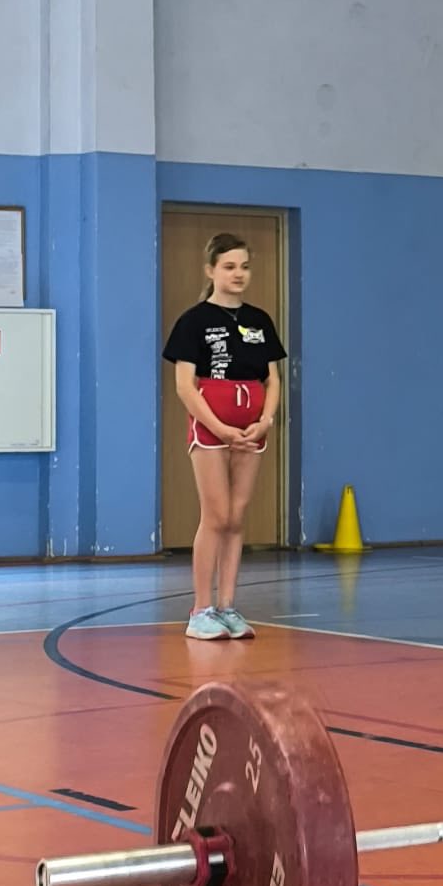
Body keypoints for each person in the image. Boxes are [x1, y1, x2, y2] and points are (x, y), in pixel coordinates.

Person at [162, 232, 286, 642]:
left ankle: (228, 606)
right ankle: (200, 610)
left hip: (251, 429)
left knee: (235, 517)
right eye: (229, 266)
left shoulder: (259, 320)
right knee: (215, 515)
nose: (238, 274)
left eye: (244, 266)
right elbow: (184, 385)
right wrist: (219, 428)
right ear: (211, 270)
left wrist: (265, 420)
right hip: (212, 428)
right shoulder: (193, 321)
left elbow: (272, 378)